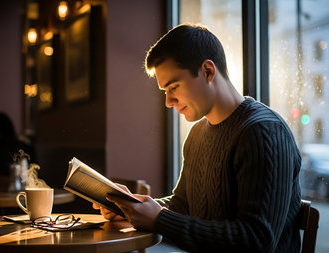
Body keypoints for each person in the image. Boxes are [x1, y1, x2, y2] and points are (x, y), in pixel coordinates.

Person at [93, 24, 301, 252]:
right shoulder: (198, 133)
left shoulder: (263, 132)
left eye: (174, 87)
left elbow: (256, 241)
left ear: (208, 71)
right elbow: (182, 205)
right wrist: (132, 207)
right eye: (165, 91)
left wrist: (159, 219)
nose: (168, 102)